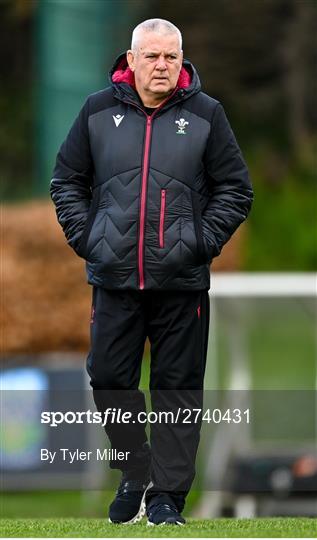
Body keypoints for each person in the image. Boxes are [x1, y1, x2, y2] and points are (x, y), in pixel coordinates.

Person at [50, 18, 253, 526]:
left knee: (177, 390)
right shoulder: (97, 110)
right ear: (132, 59)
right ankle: (134, 467)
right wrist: (88, 237)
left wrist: (200, 242)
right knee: (109, 378)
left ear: (181, 60)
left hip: (182, 284)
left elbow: (235, 189)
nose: (162, 66)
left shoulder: (207, 115)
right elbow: (66, 181)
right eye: (153, 56)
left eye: (171, 57)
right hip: (114, 279)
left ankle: (166, 499)